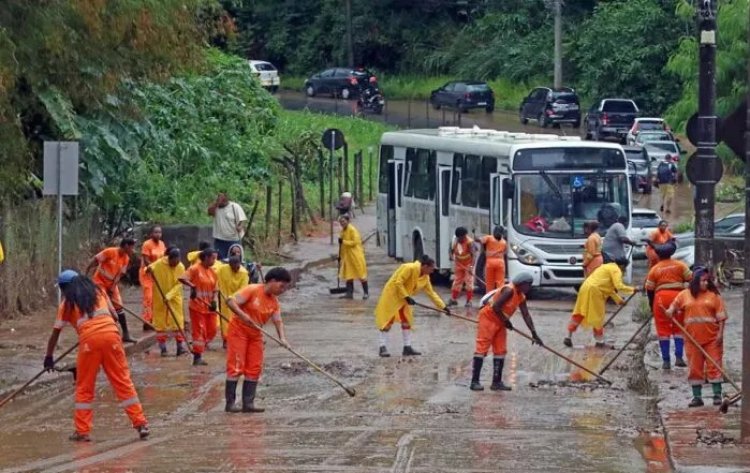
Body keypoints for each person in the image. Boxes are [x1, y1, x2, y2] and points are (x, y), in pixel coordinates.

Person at [44, 270, 149, 441]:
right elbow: (114, 316)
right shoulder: (98, 291)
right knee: (123, 382)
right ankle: (141, 424)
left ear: (64, 288)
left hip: (89, 343)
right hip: (112, 337)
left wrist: (48, 357)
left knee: (84, 387)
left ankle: (82, 431)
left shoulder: (67, 304)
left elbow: (55, 333)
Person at [224, 267, 292, 413]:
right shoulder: (253, 289)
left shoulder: (274, 302)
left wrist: (282, 338)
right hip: (239, 330)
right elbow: (230, 301)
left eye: (285, 288)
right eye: (282, 286)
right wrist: (243, 316)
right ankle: (230, 404)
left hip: (255, 334)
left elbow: (278, 321)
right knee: (236, 366)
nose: (283, 290)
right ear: (272, 281)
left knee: (254, 367)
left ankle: (248, 403)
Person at [470, 273, 542, 392]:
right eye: (528, 285)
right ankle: (474, 381)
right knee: (482, 347)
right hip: (488, 318)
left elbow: (526, 315)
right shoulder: (509, 290)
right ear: (522, 284)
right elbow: (496, 307)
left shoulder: (521, 296)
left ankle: (496, 382)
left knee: (500, 350)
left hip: (500, 322)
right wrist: (506, 321)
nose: (529, 288)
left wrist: (534, 333)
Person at [666, 268, 727, 407]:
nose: (705, 283)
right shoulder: (684, 295)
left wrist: (720, 334)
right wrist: (670, 311)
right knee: (695, 368)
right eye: (703, 281)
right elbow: (673, 307)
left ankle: (717, 395)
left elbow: (722, 318)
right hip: (692, 339)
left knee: (715, 365)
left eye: (707, 281)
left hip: (712, 338)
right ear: (695, 282)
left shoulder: (714, 296)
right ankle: (697, 397)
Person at [374, 255, 448, 357]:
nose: (432, 271)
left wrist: (443, 307)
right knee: (388, 321)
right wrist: (406, 296)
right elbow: (398, 282)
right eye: (431, 269)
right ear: (425, 266)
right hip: (393, 296)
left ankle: (407, 348)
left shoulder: (425, 278)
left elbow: (431, 293)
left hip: (405, 298)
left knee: (407, 321)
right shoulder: (409, 268)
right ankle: (382, 347)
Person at [564, 258, 637, 348]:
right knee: (597, 316)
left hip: (585, 288)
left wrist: (619, 301)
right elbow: (619, 286)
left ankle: (568, 336)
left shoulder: (605, 267)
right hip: (595, 291)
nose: (624, 271)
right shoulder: (616, 270)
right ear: (622, 266)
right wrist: (633, 289)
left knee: (580, 311)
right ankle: (600, 341)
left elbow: (609, 288)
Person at [644, 242, 691, 369]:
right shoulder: (681, 265)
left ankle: (666, 361)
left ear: (658, 255)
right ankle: (679, 357)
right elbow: (691, 279)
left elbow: (649, 289)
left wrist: (651, 305)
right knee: (679, 327)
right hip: (679, 298)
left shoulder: (654, 269)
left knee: (663, 330)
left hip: (661, 299)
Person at [85, 238, 137, 343]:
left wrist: (112, 288)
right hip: (99, 282)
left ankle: (126, 334)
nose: (133, 250)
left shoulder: (126, 258)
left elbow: (119, 275)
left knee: (119, 306)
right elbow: (94, 260)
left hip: (112, 284)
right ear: (126, 246)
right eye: (132, 247)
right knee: (104, 306)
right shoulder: (110, 252)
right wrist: (86, 275)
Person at [179, 248, 219, 366]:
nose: (214, 260)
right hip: (197, 306)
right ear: (206, 257)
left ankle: (200, 348)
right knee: (199, 331)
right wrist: (193, 286)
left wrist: (214, 301)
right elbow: (182, 278)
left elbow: (215, 289)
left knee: (212, 329)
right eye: (213, 258)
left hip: (209, 307)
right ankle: (197, 357)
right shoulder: (195, 268)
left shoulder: (213, 272)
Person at [147, 247, 188, 357]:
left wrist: (169, 296)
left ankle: (180, 347)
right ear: (169, 259)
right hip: (159, 297)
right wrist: (148, 269)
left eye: (177, 261)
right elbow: (148, 268)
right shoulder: (159, 263)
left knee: (178, 321)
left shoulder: (181, 267)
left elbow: (179, 284)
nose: (175, 264)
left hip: (174, 297)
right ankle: (163, 348)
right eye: (173, 262)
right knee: (160, 323)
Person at [216, 255, 249, 349]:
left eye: (236, 266)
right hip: (224, 300)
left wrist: (232, 299)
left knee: (237, 320)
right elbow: (214, 274)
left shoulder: (244, 273)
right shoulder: (223, 269)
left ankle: (237, 339)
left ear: (239, 264)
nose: (234, 268)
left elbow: (243, 289)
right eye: (232, 267)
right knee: (225, 321)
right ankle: (226, 340)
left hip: (237, 301)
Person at [138, 226, 166, 331]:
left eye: (159, 232)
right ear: (151, 234)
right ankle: (146, 321)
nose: (158, 234)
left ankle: (154, 319)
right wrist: (153, 269)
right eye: (156, 232)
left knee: (156, 298)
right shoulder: (147, 244)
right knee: (148, 297)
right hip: (147, 274)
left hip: (157, 275)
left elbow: (163, 259)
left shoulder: (162, 244)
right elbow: (146, 260)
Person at [337, 215, 369, 300]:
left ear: (348, 221)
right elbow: (342, 246)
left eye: (343, 221)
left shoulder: (352, 230)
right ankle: (349, 293)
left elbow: (355, 242)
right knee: (348, 275)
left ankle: (366, 293)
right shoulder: (343, 231)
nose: (342, 223)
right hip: (347, 257)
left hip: (355, 256)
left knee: (361, 274)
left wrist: (343, 241)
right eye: (340, 222)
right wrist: (340, 256)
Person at [208, 192, 247, 259]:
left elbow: (242, 220)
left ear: (226, 199)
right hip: (219, 239)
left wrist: (240, 227)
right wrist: (217, 203)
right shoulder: (216, 208)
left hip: (234, 239)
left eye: (221, 199)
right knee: (219, 260)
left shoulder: (234, 207)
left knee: (235, 259)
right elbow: (209, 212)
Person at [448, 227, 476, 307]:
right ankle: (453, 299)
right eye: (461, 237)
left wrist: (471, 267)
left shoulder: (470, 242)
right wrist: (450, 256)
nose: (462, 238)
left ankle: (469, 301)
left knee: (469, 282)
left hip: (468, 264)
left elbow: (474, 255)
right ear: (458, 237)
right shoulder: (455, 241)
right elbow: (450, 250)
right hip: (458, 264)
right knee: (457, 281)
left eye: (464, 237)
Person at [481, 226, 507, 293]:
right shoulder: (504, 242)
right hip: (500, 263)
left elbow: (481, 241)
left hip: (490, 262)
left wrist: (484, 250)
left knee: (490, 282)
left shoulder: (489, 238)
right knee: (500, 282)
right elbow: (505, 252)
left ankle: (489, 297)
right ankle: (499, 297)